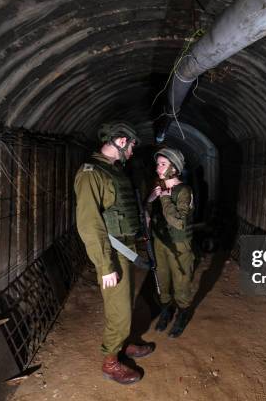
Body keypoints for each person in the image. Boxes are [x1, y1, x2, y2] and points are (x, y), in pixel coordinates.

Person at [74, 122, 153, 385]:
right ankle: (110, 361)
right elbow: (89, 223)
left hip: (125, 247)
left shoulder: (113, 171)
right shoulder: (91, 173)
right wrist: (104, 265)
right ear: (120, 141)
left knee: (126, 302)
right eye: (130, 146)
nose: (131, 152)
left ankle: (124, 343)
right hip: (111, 252)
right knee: (118, 309)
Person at [146, 147, 195, 338]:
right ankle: (166, 311)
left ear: (174, 168)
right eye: (158, 163)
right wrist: (151, 198)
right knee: (162, 280)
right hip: (160, 242)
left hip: (179, 245)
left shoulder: (184, 190)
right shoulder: (159, 187)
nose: (158, 168)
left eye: (163, 164)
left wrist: (165, 199)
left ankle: (182, 314)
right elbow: (149, 212)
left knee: (181, 282)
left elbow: (179, 222)